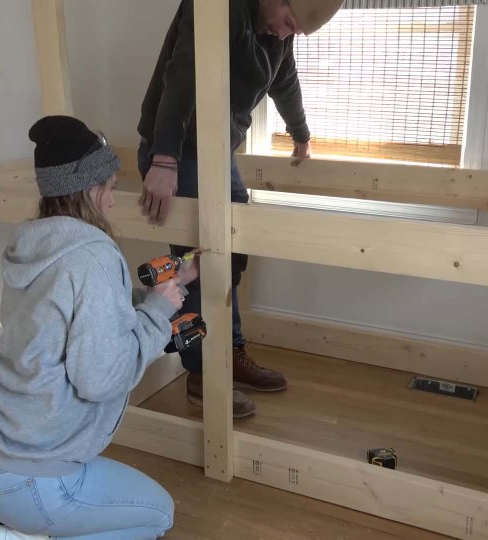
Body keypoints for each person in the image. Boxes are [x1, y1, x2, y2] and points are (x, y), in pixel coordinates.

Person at [0, 115, 197, 540]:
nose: (113, 202)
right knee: (156, 516)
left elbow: (81, 314)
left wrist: (174, 285)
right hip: (23, 473)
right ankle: (10, 536)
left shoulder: (34, 243)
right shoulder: (93, 256)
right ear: (89, 188)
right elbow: (102, 378)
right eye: (111, 188)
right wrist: (157, 313)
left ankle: (16, 527)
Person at [136, 0, 345, 418]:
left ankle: (228, 355)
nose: (286, 34)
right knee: (195, 268)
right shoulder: (218, 7)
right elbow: (182, 75)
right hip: (180, 149)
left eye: (295, 33)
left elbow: (284, 79)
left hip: (218, 151)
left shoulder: (277, 35)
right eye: (288, 23)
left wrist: (300, 132)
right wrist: (164, 159)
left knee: (228, 257)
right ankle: (201, 373)